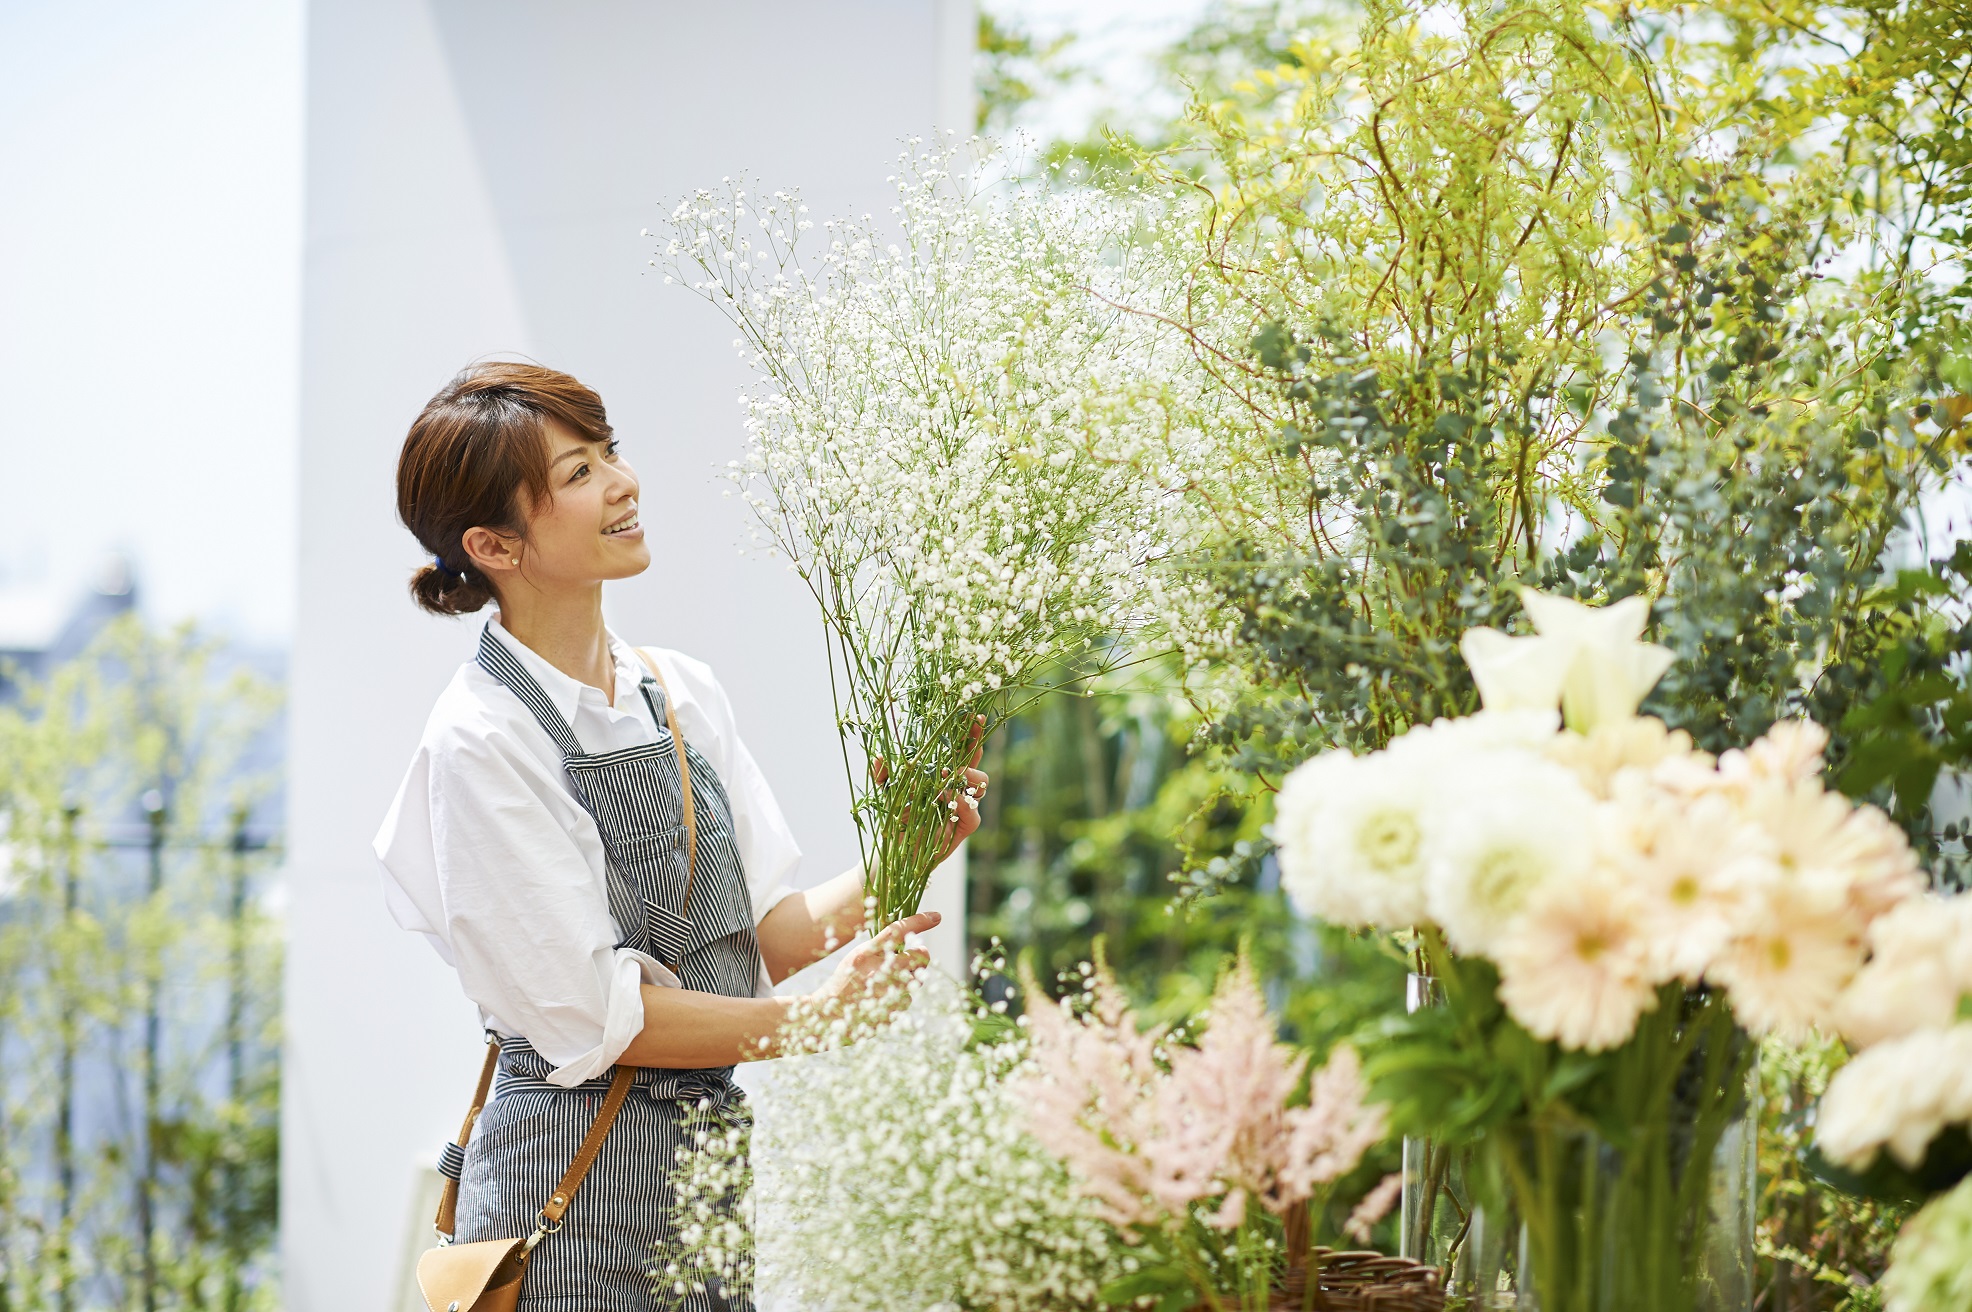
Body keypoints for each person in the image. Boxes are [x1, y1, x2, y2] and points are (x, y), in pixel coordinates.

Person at [373, 361, 984, 1309]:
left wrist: (906, 849)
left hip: (704, 1184)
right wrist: (818, 1023)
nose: (623, 483)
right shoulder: (483, 738)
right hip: (562, 1203)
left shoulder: (680, 691)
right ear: (493, 544)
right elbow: (599, 1020)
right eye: (579, 473)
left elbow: (764, 939)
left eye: (609, 452)